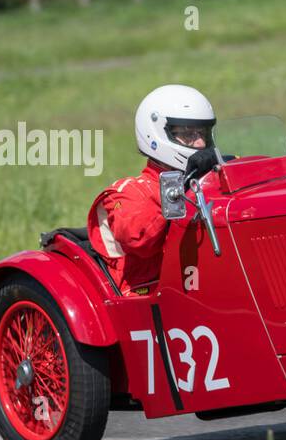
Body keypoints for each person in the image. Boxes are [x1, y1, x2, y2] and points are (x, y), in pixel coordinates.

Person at [87, 84, 215, 295]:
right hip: (151, 299)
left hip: (202, 288)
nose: (201, 143)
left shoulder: (209, 180)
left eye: (203, 133)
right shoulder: (130, 191)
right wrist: (179, 189)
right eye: (188, 134)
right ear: (156, 135)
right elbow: (137, 238)